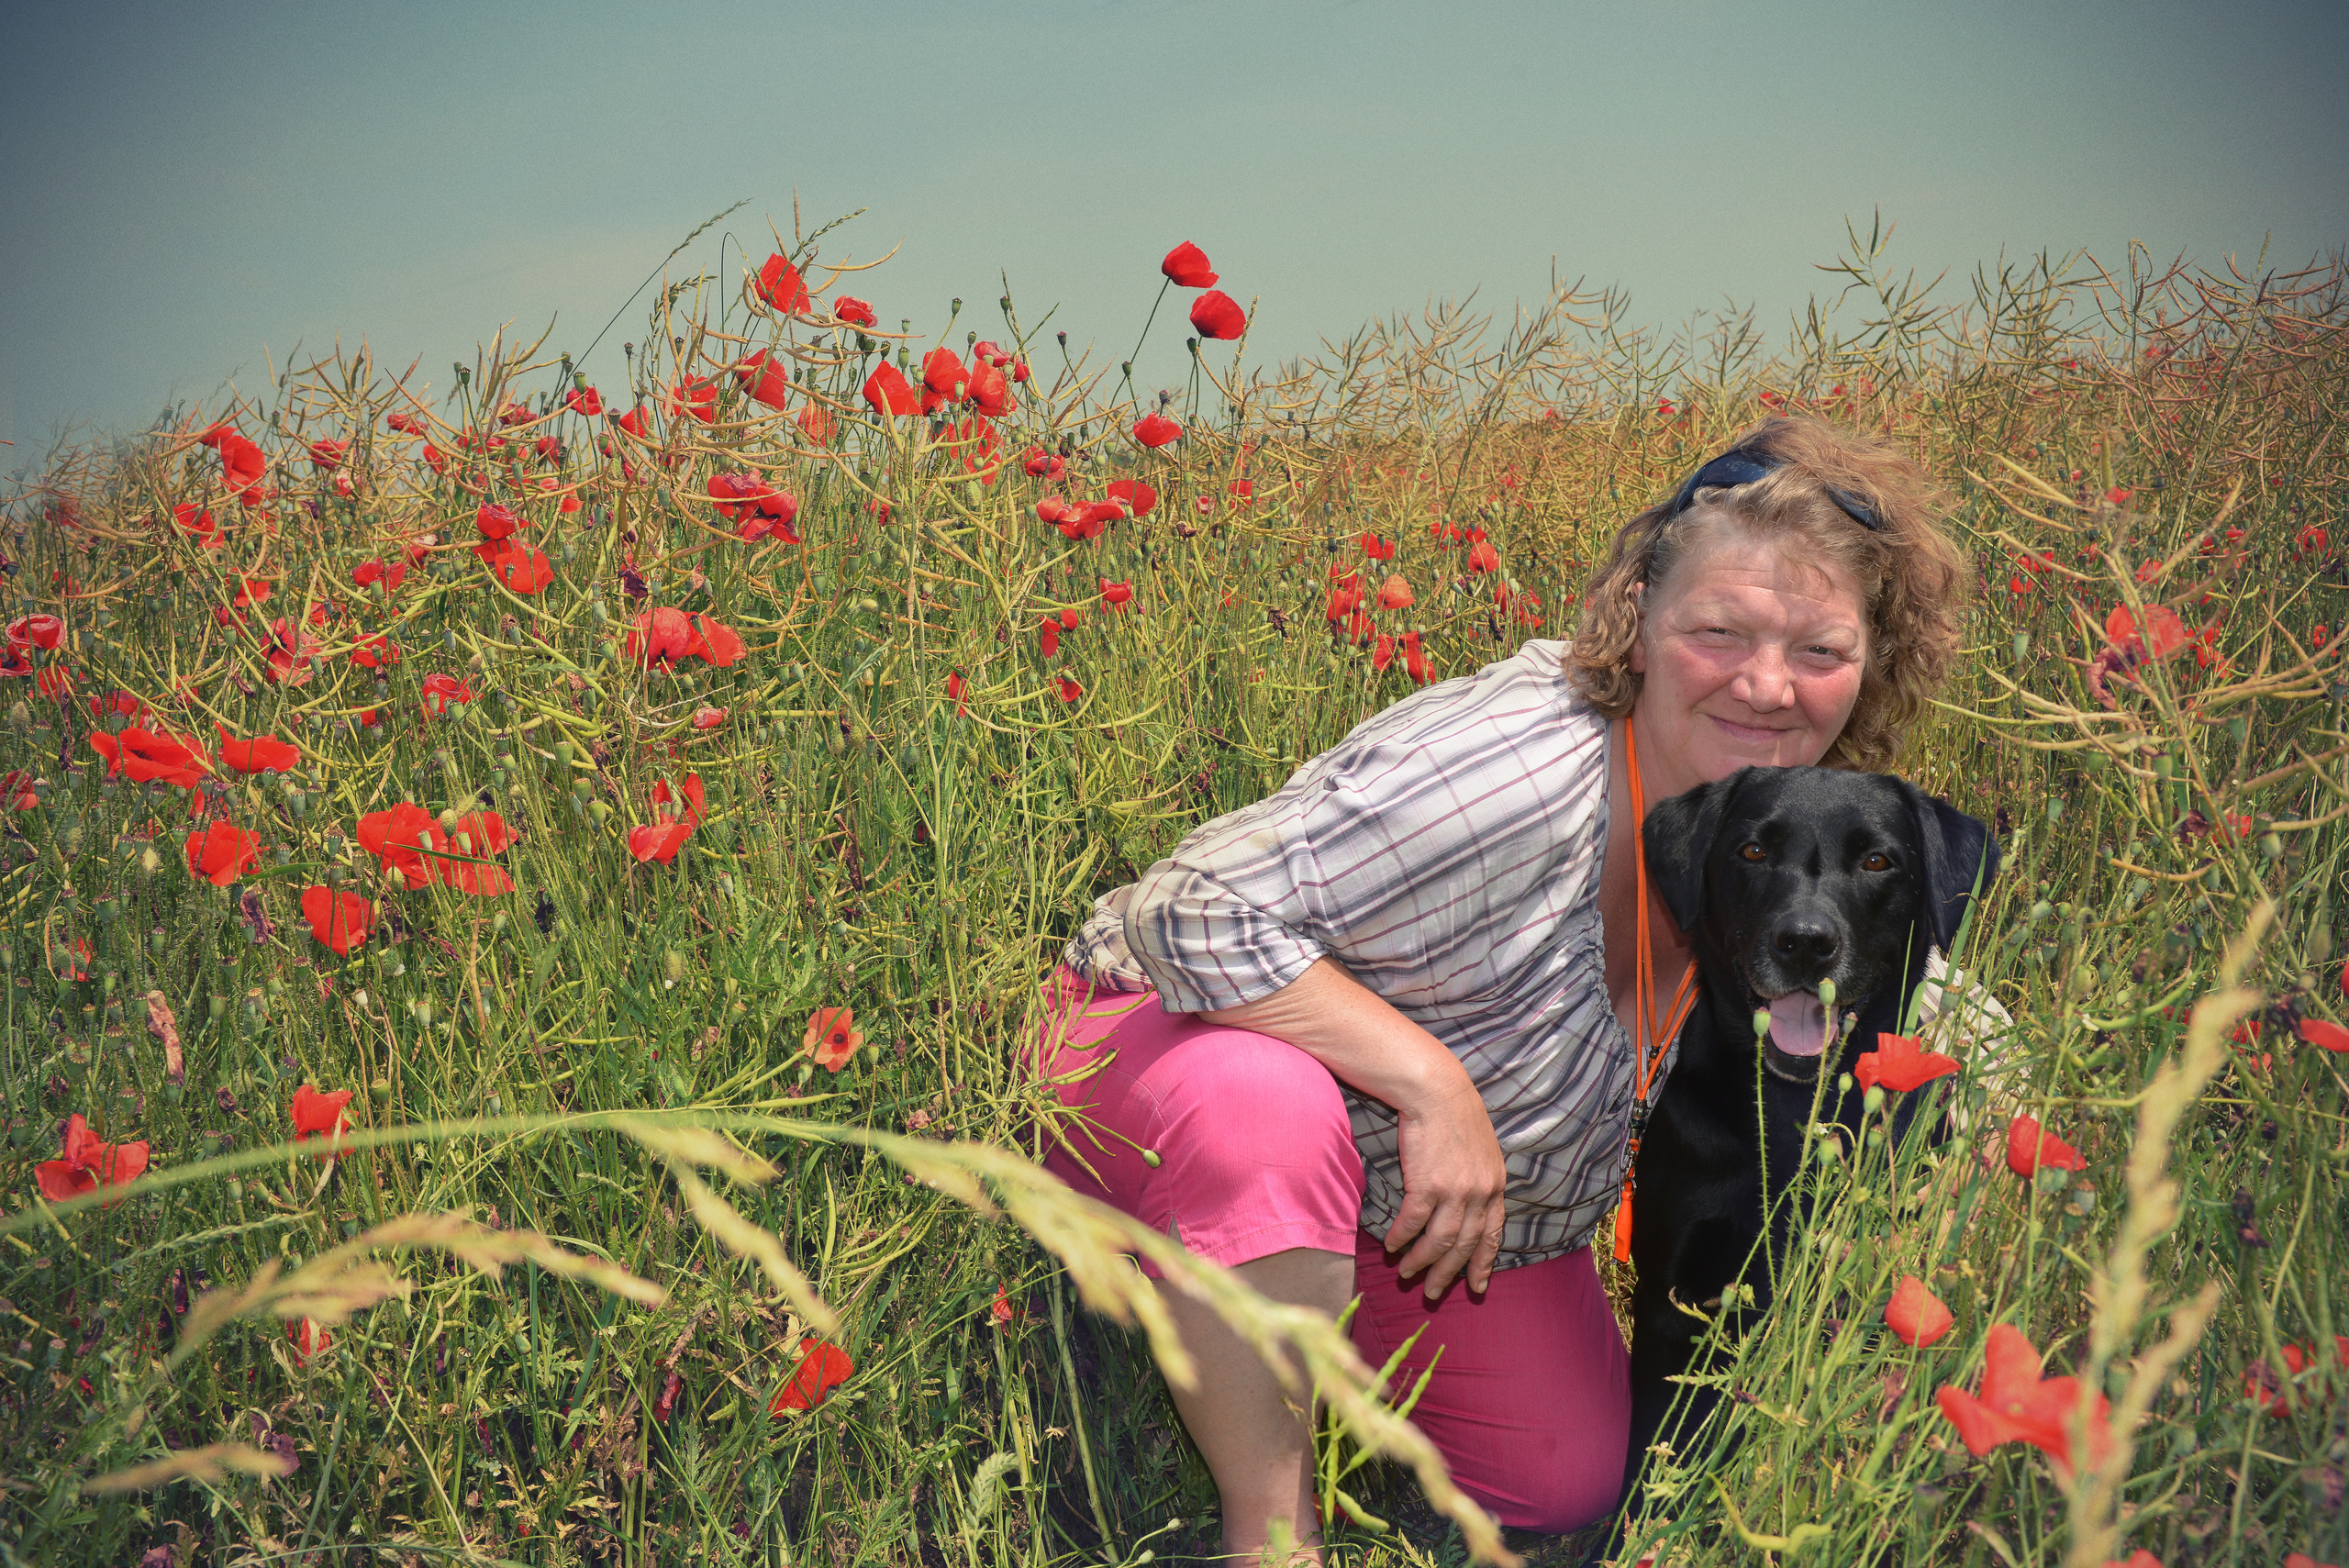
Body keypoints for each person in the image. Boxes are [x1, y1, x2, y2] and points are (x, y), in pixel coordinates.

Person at [1030, 414, 1971, 1558]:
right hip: (1159, 1051)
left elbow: (1912, 996)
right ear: (1637, 619)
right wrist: (1428, 1081)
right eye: (1718, 631)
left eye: (1819, 650)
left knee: (1564, 1477)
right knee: (1262, 1110)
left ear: (1873, 662)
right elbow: (1186, 910)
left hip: (1410, 1205)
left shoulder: (1760, 832)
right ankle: (1266, 1521)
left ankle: (1273, 1311)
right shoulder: (1511, 774)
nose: (1769, 686)